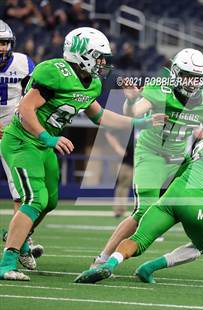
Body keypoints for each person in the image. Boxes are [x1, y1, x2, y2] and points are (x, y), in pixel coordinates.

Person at [0, 27, 166, 281]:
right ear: (81, 54)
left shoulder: (92, 83)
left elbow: (100, 116)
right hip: (23, 142)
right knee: (34, 199)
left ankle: (18, 237)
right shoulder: (54, 71)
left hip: (43, 146)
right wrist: (47, 137)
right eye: (98, 57)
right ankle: (7, 262)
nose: (102, 64)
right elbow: (25, 109)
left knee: (50, 201)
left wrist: (139, 123)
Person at [90, 50, 203, 276]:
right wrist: (131, 99)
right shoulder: (159, 89)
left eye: (197, 78)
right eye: (188, 76)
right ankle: (101, 259)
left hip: (181, 158)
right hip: (152, 155)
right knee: (143, 211)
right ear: (175, 73)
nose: (192, 82)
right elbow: (134, 113)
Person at [0, 19, 44, 271]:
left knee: (22, 193)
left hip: (13, 135)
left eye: (5, 43)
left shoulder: (23, 63)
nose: (2, 49)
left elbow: (34, 97)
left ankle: (21, 244)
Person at [104, 129, 135, 218]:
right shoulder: (127, 124)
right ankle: (119, 210)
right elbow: (109, 133)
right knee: (123, 186)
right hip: (127, 162)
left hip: (141, 160)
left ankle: (145, 209)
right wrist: (118, 148)